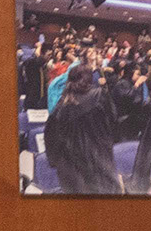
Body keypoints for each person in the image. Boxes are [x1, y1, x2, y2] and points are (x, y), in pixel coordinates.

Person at [44, 65, 120, 196]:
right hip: (98, 160)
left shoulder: (62, 105)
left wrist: (56, 162)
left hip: (72, 168)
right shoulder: (99, 95)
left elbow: (50, 137)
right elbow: (113, 121)